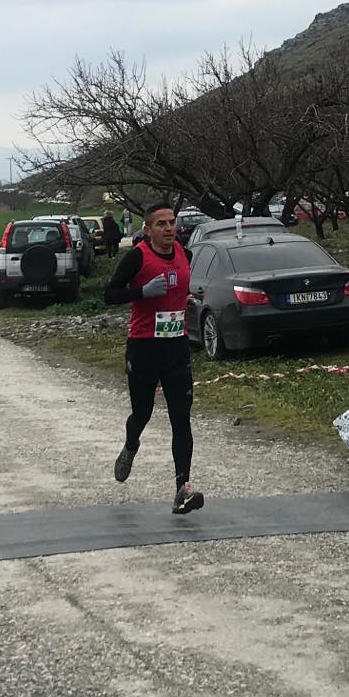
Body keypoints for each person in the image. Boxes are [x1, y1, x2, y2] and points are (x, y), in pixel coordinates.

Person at [104, 200, 203, 514]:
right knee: (142, 414)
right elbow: (109, 294)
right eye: (161, 224)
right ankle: (131, 446)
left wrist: (187, 298)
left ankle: (182, 489)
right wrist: (142, 292)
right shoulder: (138, 256)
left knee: (181, 418)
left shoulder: (186, 254)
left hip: (176, 348)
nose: (169, 228)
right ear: (148, 230)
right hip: (143, 347)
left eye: (172, 222)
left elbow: (179, 288)